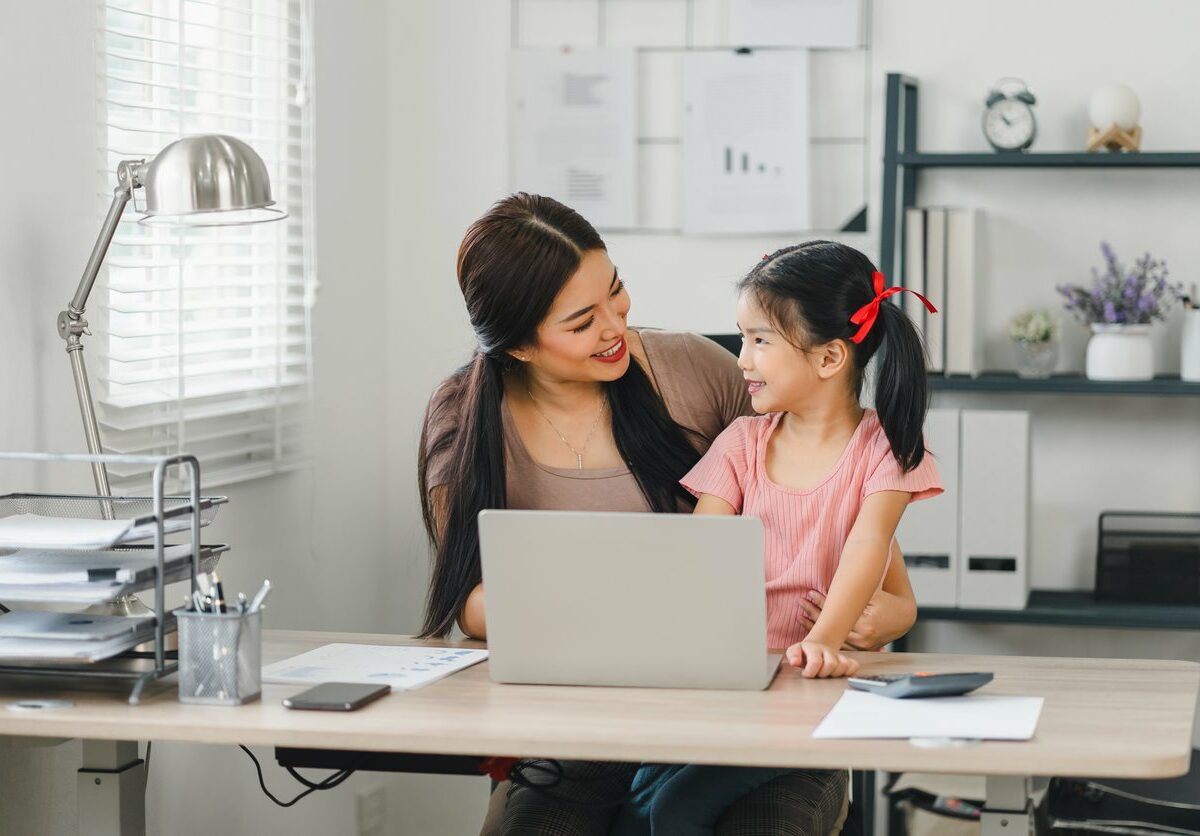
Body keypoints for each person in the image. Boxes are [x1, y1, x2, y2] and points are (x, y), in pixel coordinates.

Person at [418, 194, 921, 836]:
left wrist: (888, 615)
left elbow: (840, 517)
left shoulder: (695, 371)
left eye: (616, 292)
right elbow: (468, 602)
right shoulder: (465, 420)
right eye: (580, 322)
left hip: (752, 713)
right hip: (573, 728)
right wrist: (615, 615)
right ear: (518, 346)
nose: (614, 326)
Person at [612, 241, 944, 835]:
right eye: (743, 338)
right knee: (641, 802)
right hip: (729, 685)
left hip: (807, 694)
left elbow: (869, 546)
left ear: (829, 358)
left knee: (672, 807)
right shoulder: (742, 442)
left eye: (760, 340)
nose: (741, 359)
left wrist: (823, 639)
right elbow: (701, 557)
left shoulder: (882, 453)